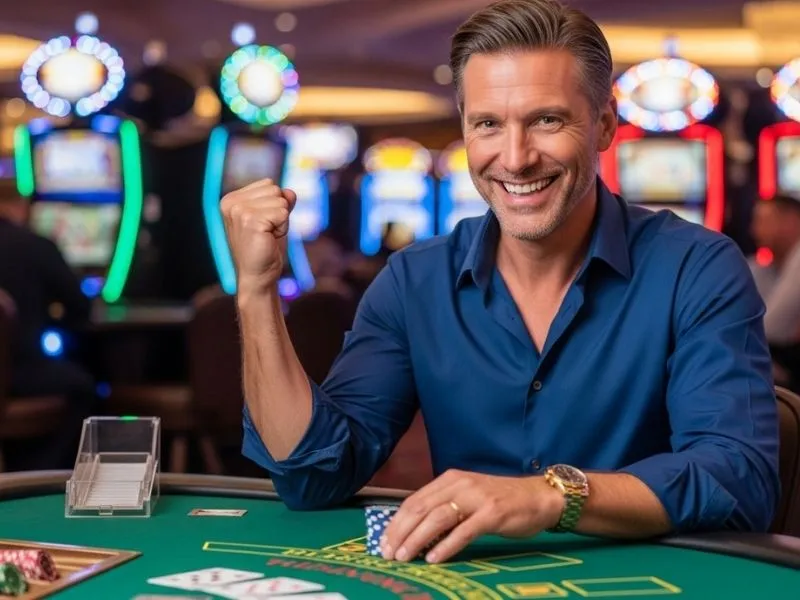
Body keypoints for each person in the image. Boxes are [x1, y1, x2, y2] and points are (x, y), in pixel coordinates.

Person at [222, 0, 779, 565]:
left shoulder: (697, 267)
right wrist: (256, 290)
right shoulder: (416, 280)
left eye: (547, 120)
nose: (515, 158)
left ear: (604, 125)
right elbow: (312, 476)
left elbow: (738, 478)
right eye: (488, 124)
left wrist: (550, 496)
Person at [0, 193, 96, 470]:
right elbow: (80, 307)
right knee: (84, 387)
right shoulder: (33, 245)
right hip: (20, 372)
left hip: (17, 374)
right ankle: (42, 475)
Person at [749, 194, 800, 387]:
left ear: (791, 222)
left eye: (762, 220)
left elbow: (772, 327)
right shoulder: (767, 267)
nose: (754, 229)